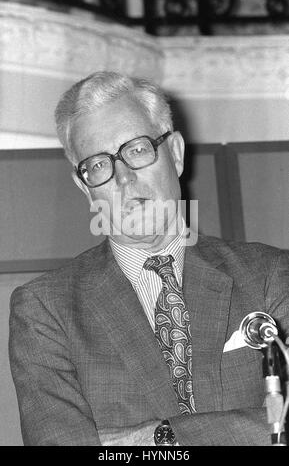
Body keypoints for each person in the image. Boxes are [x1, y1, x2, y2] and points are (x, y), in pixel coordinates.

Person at [9, 71, 289, 446]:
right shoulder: (46, 309)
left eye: (137, 149)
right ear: (84, 186)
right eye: (99, 164)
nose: (123, 178)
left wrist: (164, 438)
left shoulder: (269, 275)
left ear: (175, 153)